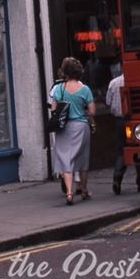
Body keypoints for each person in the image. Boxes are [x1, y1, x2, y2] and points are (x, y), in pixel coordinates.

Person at [51, 57, 96, 205]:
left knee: (66, 159)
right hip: (81, 126)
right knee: (83, 159)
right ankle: (83, 190)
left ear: (64, 72)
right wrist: (88, 117)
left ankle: (69, 193)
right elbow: (92, 111)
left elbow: (54, 109)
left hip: (64, 128)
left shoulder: (58, 89)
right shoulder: (85, 89)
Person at [106, 70, 140, 194]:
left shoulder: (113, 83)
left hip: (119, 121)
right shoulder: (137, 80)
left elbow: (108, 103)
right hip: (134, 120)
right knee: (138, 150)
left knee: (121, 151)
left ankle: (117, 177)